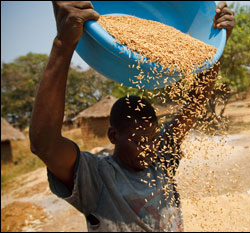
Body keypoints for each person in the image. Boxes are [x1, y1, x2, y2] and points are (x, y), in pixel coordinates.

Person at [29, 1, 235, 231]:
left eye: (152, 138)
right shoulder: (97, 177)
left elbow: (195, 104)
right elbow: (44, 145)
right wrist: (62, 44)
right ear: (113, 136)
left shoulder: (161, 159)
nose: (148, 148)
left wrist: (216, 45)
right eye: (138, 141)